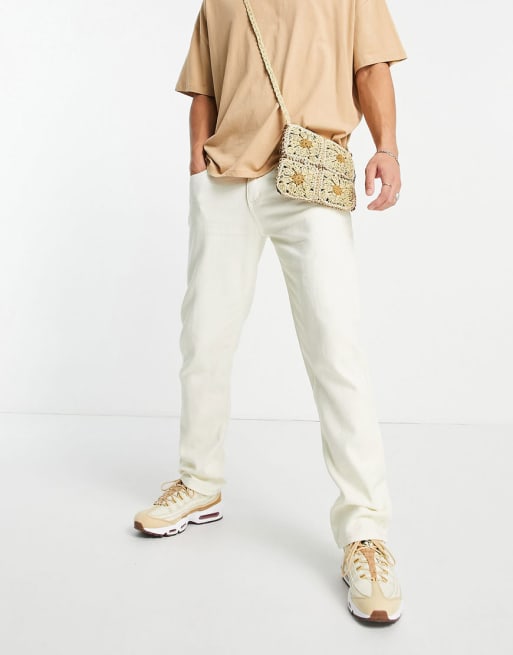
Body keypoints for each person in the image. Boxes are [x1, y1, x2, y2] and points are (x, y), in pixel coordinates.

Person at [134, 0, 407, 625]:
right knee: (204, 340)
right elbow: (202, 89)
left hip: (309, 172)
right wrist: (199, 168)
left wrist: (388, 148)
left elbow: (372, 67)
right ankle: (199, 482)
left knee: (336, 353)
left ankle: (366, 534)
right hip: (225, 182)